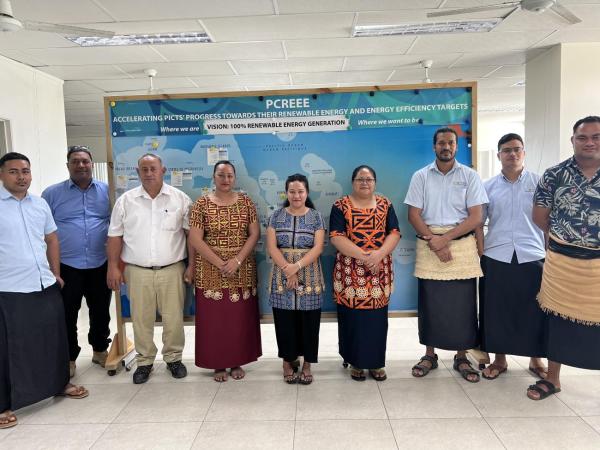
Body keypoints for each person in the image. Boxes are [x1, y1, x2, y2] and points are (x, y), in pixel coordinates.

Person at [0, 152, 88, 430]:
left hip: (43, 283)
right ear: (2, 175)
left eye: (25, 171)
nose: (21, 176)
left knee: (53, 338)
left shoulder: (39, 204)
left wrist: (56, 272)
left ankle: (59, 383)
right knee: (8, 347)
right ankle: (3, 404)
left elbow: (51, 238)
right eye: (13, 171)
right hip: (8, 287)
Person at [404, 127, 488, 383]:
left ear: (456, 146)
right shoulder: (421, 176)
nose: (446, 147)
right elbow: (413, 215)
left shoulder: (470, 176)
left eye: (450, 143)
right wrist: (436, 243)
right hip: (429, 243)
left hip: (460, 246)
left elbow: (476, 216)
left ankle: (461, 356)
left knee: (463, 306)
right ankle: (429, 355)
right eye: (441, 143)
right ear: (434, 147)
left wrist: (446, 240)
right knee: (430, 304)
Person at [528, 116, 600, 400]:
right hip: (562, 261)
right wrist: (570, 239)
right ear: (573, 141)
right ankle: (552, 378)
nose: (590, 142)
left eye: (596, 136)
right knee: (558, 320)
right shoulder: (554, 174)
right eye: (582, 137)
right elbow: (540, 216)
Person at [106, 153, 193, 384]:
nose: (149, 173)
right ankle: (144, 362)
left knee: (173, 318)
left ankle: (173, 359)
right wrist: (113, 267)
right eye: (144, 169)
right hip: (137, 270)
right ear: (137, 172)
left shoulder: (180, 199)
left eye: (153, 168)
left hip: (172, 268)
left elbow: (190, 236)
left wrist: (192, 265)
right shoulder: (126, 201)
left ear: (163, 170)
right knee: (141, 318)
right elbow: (114, 236)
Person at [476, 133, 547, 380]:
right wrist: (482, 251)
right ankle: (500, 359)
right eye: (507, 150)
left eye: (517, 149)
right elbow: (479, 222)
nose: (512, 154)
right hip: (497, 255)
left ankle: (536, 358)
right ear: (499, 155)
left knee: (534, 309)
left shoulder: (540, 183)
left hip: (532, 255)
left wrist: (550, 255)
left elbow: (547, 222)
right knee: (497, 310)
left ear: (524, 152)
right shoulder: (488, 186)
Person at [42, 145, 112, 378]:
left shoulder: (107, 191)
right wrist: (51, 270)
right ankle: (69, 357)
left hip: (100, 262)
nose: (81, 165)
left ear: (92, 164)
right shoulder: (52, 194)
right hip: (67, 265)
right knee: (67, 313)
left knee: (101, 310)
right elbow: (44, 232)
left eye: (85, 161)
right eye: (75, 161)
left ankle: (100, 349)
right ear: (68, 165)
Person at [189, 160, 262, 382]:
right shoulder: (201, 204)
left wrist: (237, 260)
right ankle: (217, 364)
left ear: (235, 178)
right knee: (215, 320)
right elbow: (194, 238)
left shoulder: (246, 203)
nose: (226, 180)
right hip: (210, 269)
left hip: (241, 268)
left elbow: (254, 234)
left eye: (230, 175)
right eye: (221, 175)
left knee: (238, 318)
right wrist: (220, 262)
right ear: (213, 177)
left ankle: (237, 360)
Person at [329, 165, 401, 382]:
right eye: (360, 179)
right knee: (352, 319)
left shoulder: (385, 204)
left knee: (377, 320)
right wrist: (366, 256)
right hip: (350, 274)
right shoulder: (340, 205)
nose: (364, 183)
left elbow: (395, 233)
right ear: (352, 182)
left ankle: (376, 362)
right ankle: (356, 362)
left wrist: (378, 255)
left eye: (369, 179)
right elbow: (336, 236)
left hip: (379, 272)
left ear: (375, 183)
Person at [266, 174, 325, 384]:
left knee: (309, 322)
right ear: (286, 193)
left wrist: (297, 267)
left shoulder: (316, 217)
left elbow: (318, 247)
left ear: (307, 192)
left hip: (310, 275)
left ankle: (307, 364)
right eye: (292, 191)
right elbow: (272, 247)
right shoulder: (276, 216)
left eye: (300, 191)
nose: (296, 195)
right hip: (281, 275)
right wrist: (287, 269)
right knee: (284, 321)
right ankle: (287, 361)